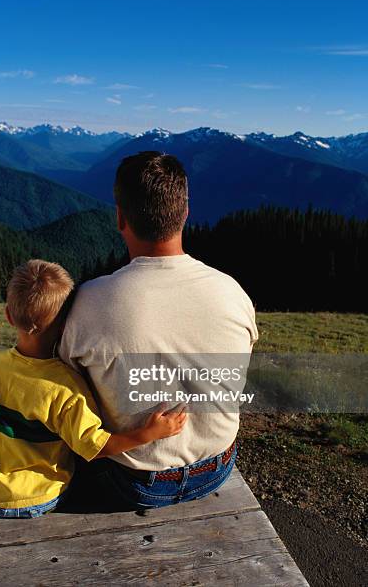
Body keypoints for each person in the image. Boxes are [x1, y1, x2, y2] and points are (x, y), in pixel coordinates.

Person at [59, 151, 258, 510]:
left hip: (133, 481)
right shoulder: (232, 291)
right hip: (217, 466)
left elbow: (62, 381)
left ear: (121, 218)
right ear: (184, 213)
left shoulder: (89, 301)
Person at [0, 259, 186, 518]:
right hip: (35, 496)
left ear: (8, 315)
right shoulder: (64, 386)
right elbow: (96, 448)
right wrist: (149, 433)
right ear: (66, 325)